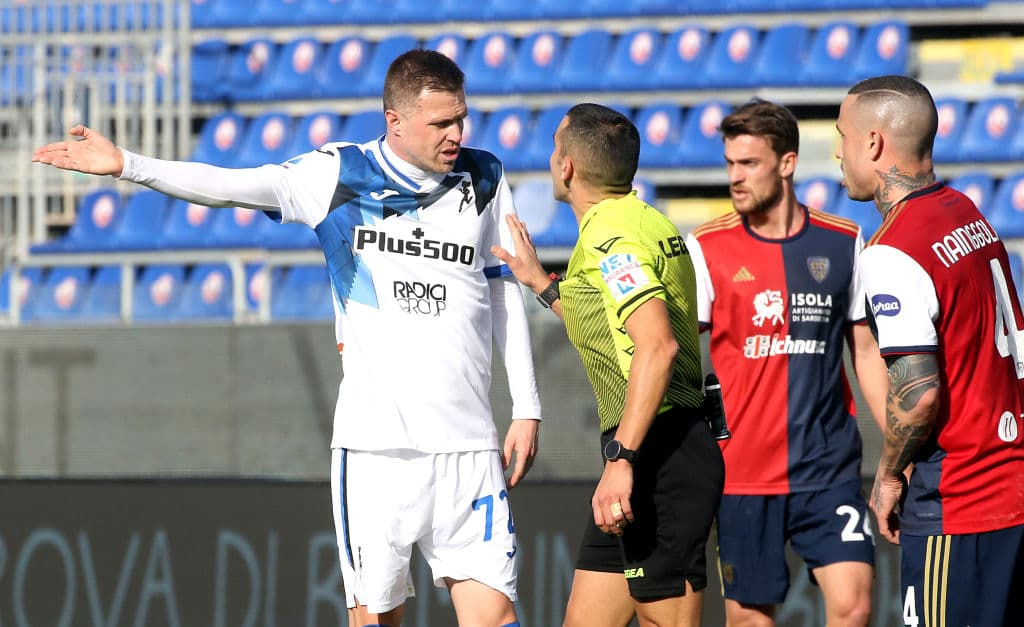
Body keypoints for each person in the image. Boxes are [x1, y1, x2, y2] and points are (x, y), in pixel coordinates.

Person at [32, 49, 542, 627]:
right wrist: (128, 164)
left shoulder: (485, 176)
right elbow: (231, 186)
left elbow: (504, 288)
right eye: (441, 123)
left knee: (497, 620)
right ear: (394, 120)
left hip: (468, 447)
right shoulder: (339, 175)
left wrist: (526, 407)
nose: (457, 134)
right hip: (377, 451)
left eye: (461, 119)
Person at [493, 103, 725, 627]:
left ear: (567, 166)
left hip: (658, 453)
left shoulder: (611, 239)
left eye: (556, 146)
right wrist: (543, 285)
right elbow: (611, 322)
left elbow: (657, 345)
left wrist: (621, 458)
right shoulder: (640, 220)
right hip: (648, 449)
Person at [683, 98, 889, 627]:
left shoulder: (843, 242)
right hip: (743, 475)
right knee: (751, 619)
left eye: (748, 164)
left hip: (828, 470)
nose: (735, 177)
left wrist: (898, 448)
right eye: (730, 163)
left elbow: (865, 352)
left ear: (787, 163)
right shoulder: (707, 247)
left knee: (855, 605)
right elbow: (678, 354)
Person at [838, 74, 1024, 626]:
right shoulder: (965, 211)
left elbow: (918, 394)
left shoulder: (893, 249)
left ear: (873, 144)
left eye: (843, 136)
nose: (839, 154)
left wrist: (890, 474)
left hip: (962, 499)